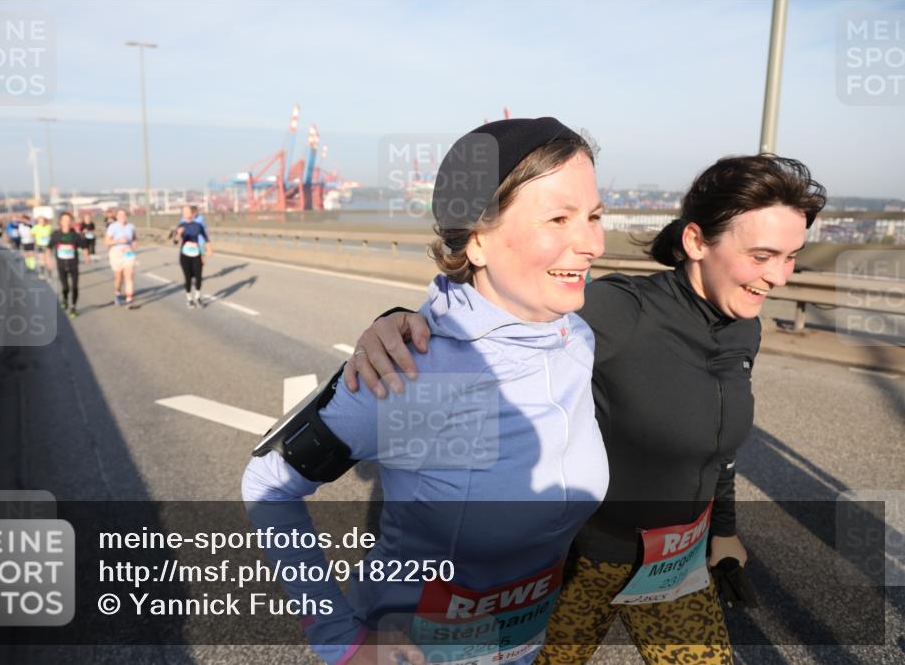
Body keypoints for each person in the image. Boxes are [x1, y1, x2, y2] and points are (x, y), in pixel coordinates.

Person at [344, 155, 827, 664]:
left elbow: (718, 445)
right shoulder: (624, 311)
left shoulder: (744, 326)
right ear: (696, 242)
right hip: (578, 566)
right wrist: (399, 322)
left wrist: (723, 531)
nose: (780, 277)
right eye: (762, 255)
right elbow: (499, 312)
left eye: (791, 257)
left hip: (677, 566)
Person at [243, 118, 609, 665]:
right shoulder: (410, 372)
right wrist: (340, 641)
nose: (593, 243)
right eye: (559, 218)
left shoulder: (575, 338)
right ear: (478, 240)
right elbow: (269, 484)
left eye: (595, 216)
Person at [175, 206, 213, 308]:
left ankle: (197, 297)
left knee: (198, 277)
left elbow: (205, 238)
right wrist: (179, 234)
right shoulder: (181, 225)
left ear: (192, 213)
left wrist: (209, 249)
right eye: (184, 212)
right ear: (183, 214)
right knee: (188, 278)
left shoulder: (198, 225)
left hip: (196, 253)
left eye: (188, 211)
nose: (186, 213)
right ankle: (189, 298)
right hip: (185, 255)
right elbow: (175, 241)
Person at [52, 212, 85, 317]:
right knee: (65, 287)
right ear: (60, 222)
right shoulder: (55, 234)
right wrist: (48, 260)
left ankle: (73, 307)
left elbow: (83, 246)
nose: (66, 222)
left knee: (75, 287)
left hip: (73, 264)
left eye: (68, 220)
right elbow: (49, 247)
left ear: (71, 222)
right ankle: (65, 299)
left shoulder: (75, 235)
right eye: (64, 220)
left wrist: (86, 250)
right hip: (61, 265)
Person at [105, 208, 138, 308]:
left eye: (124, 215)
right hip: (116, 252)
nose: (122, 217)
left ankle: (129, 300)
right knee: (119, 277)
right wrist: (118, 241)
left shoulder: (131, 226)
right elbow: (107, 242)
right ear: (117, 216)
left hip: (128, 253)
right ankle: (118, 293)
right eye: (120, 215)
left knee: (129, 275)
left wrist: (133, 246)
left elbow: (134, 239)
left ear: (126, 216)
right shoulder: (112, 227)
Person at [31, 215, 55, 279]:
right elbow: (32, 234)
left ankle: (50, 273)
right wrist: (35, 239)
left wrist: (50, 238)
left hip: (48, 246)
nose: (41, 222)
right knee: (42, 260)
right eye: (40, 221)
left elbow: (52, 235)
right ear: (38, 222)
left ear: (45, 221)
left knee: (48, 260)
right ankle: (42, 272)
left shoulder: (49, 227)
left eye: (43, 221)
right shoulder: (35, 227)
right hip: (40, 245)